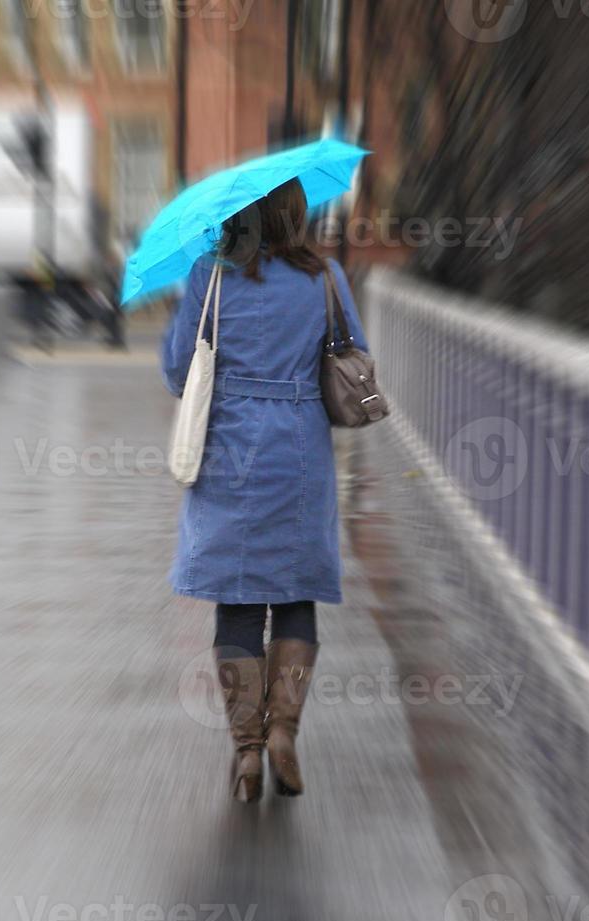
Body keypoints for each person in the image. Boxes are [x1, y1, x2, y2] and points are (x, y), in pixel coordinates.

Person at [160, 178, 369, 803]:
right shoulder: (325, 276)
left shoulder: (211, 275)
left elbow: (178, 369)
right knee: (296, 593)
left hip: (228, 448)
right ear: (295, 213)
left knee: (240, 599)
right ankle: (285, 732)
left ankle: (247, 750)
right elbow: (353, 355)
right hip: (300, 446)